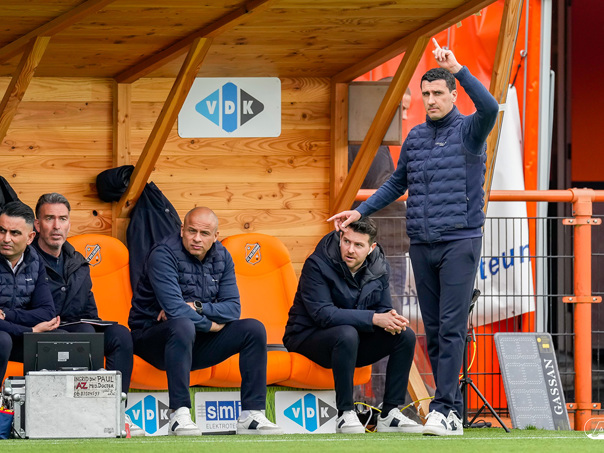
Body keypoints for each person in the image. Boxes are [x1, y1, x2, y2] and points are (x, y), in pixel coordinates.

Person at [328, 40, 499, 436]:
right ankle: (451, 411)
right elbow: (396, 184)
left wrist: (458, 69)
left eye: (438, 93)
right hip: (421, 242)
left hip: (459, 241)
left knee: (452, 327)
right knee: (435, 330)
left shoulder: (470, 130)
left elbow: (490, 108)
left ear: (453, 95)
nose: (431, 100)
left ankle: (443, 408)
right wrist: (360, 212)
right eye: (426, 94)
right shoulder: (416, 137)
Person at [128, 206, 283, 436]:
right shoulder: (162, 254)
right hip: (152, 340)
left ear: (215, 236)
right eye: (192, 231)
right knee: (182, 324)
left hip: (195, 342)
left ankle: (251, 414)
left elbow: (233, 309)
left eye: (204, 233)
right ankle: (179, 414)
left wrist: (198, 307)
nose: (197, 238)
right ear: (182, 230)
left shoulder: (223, 256)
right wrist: (211, 324)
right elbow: (175, 309)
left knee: (253, 329)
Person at [283, 217, 421, 434]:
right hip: (306, 338)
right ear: (340, 238)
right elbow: (323, 315)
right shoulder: (317, 264)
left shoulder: (380, 266)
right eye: (346, 241)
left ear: (371, 248)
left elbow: (383, 309)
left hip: (350, 342)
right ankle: (345, 413)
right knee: (346, 334)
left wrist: (392, 320)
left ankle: (390, 413)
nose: (350, 249)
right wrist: (374, 318)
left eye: (358, 245)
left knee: (405, 336)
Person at [31, 193, 143, 437]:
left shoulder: (78, 261)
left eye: (62, 219)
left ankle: (116, 411)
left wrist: (95, 324)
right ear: (37, 225)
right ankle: (85, 415)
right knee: (83, 333)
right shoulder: (27, 259)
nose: (56, 225)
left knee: (120, 335)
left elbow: (88, 308)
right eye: (49, 218)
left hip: (77, 325)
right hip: (40, 331)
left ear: (69, 224)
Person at [349, 85, 412, 406]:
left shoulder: (369, 142)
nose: (405, 117)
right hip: (381, 246)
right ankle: (391, 403)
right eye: (401, 108)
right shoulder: (372, 146)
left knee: (371, 322)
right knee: (390, 323)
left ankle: (368, 401)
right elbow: (382, 188)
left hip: (378, 243)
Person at [0, 201, 60, 382]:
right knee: (2, 340)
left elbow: (47, 312)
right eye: (2, 230)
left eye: (14, 233)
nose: (6, 239)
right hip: (4, 337)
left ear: (30, 237)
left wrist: (7, 314)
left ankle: (44, 398)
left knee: (60, 340)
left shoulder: (35, 261)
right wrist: (31, 330)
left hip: (16, 334)